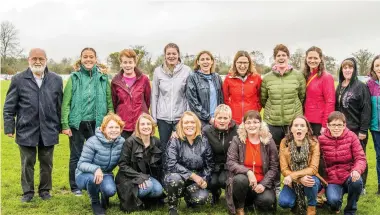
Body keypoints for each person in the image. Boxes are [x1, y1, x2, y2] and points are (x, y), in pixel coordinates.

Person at [3, 48, 63, 202]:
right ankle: (28, 193)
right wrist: (9, 127)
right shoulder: (18, 79)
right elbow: (9, 106)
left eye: (41, 59)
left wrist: (62, 126)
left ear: (46, 60)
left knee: (46, 164)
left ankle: (45, 191)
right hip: (26, 129)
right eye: (34, 58)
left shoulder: (56, 79)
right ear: (28, 60)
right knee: (27, 163)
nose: (38, 62)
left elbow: (60, 105)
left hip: (49, 128)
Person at [61, 47, 114, 196]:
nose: (88, 59)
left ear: (96, 59)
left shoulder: (103, 78)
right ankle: (75, 186)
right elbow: (66, 103)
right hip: (77, 123)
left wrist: (110, 121)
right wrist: (65, 124)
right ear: (81, 59)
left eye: (91, 57)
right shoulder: (74, 77)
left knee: (96, 155)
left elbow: (109, 101)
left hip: (97, 123)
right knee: (76, 155)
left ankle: (96, 183)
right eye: (85, 57)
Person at [260, 44, 306, 193]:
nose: (281, 58)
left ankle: (293, 182)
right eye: (278, 55)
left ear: (288, 57)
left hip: (292, 123)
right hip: (273, 122)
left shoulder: (298, 76)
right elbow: (263, 99)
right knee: (273, 155)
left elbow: (302, 96)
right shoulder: (267, 78)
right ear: (274, 58)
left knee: (292, 153)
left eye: (283, 55)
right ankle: (276, 185)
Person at [226, 110, 279, 215]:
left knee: (267, 200)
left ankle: (251, 202)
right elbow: (230, 162)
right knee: (240, 179)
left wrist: (263, 184)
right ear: (244, 125)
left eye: (255, 122)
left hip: (261, 182)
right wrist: (249, 172)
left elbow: (274, 167)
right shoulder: (237, 140)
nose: (252, 125)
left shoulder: (268, 141)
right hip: (243, 182)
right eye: (248, 122)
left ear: (260, 124)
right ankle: (240, 207)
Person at [164, 111, 214, 215]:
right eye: (186, 122)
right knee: (174, 179)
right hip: (177, 177)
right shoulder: (175, 140)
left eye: (192, 122)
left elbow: (210, 164)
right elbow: (170, 164)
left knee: (204, 198)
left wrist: (204, 179)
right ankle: (172, 206)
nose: (189, 125)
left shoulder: (203, 141)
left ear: (197, 124)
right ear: (181, 125)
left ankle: (189, 198)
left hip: (196, 180)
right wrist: (192, 175)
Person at [75, 113, 125, 215]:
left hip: (106, 173)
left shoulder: (122, 142)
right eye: (110, 127)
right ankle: (95, 202)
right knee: (93, 180)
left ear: (120, 129)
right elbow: (81, 164)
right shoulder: (92, 141)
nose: (114, 130)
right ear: (104, 128)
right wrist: (96, 169)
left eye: (117, 127)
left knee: (110, 190)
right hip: (84, 174)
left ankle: (104, 196)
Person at [318, 111, 366, 214]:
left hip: (349, 175)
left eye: (339, 125)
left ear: (344, 125)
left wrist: (357, 170)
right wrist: (322, 182)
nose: (336, 128)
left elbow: (360, 158)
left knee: (357, 182)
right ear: (327, 125)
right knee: (333, 201)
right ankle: (335, 204)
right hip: (331, 179)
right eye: (333, 125)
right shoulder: (321, 140)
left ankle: (350, 209)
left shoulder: (352, 136)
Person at [335, 57, 371, 194]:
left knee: (359, 157)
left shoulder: (361, 86)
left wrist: (363, 130)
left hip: (357, 129)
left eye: (350, 67)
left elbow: (366, 109)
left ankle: (361, 186)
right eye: (345, 67)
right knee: (345, 157)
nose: (347, 70)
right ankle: (348, 183)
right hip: (343, 129)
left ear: (354, 69)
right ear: (341, 70)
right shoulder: (340, 85)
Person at [278, 116, 327, 215]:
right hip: (294, 182)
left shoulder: (313, 143)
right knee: (284, 202)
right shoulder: (284, 142)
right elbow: (284, 169)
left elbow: (313, 169)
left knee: (310, 181)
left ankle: (311, 206)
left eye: (302, 126)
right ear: (291, 129)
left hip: (310, 177)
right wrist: (299, 179)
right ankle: (296, 201)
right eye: (296, 125)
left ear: (307, 129)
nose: (299, 128)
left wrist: (292, 176)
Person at [115, 113, 163, 212]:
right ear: (138, 127)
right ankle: (132, 200)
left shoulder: (156, 141)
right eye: (142, 124)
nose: (146, 126)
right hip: (129, 177)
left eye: (148, 124)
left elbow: (158, 164)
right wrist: (139, 177)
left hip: (146, 176)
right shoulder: (130, 142)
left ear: (152, 126)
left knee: (158, 190)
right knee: (148, 187)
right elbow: (123, 165)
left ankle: (142, 200)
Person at [151, 43, 191, 151]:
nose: (171, 56)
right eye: (168, 53)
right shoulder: (157, 71)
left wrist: (187, 116)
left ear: (178, 55)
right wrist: (154, 117)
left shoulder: (187, 71)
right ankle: (165, 168)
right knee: (165, 147)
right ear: (165, 55)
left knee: (181, 147)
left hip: (180, 117)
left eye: (174, 53)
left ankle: (180, 168)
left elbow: (188, 96)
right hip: (162, 118)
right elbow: (155, 95)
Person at [111, 49, 151, 140]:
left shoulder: (144, 79)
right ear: (121, 64)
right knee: (124, 152)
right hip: (123, 124)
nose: (128, 65)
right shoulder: (115, 81)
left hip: (140, 124)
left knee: (140, 152)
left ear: (135, 63)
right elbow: (114, 103)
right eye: (125, 62)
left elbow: (147, 100)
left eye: (130, 62)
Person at [202, 104, 238, 204]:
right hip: (213, 164)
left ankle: (230, 194)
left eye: (225, 118)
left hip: (229, 164)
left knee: (223, 180)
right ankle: (215, 193)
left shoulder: (237, 130)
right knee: (212, 181)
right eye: (219, 118)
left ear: (230, 118)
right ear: (215, 118)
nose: (222, 121)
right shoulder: (206, 130)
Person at [303, 46, 335, 136]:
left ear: (320, 59)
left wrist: (325, 124)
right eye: (310, 58)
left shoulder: (326, 77)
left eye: (315, 58)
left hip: (319, 122)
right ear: (306, 59)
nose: (312, 61)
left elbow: (330, 102)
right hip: (305, 121)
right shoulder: (305, 75)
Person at [223, 50, 262, 124]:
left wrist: (255, 110)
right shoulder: (228, 79)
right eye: (239, 62)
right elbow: (225, 100)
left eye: (245, 63)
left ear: (249, 63)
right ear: (235, 63)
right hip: (234, 120)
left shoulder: (256, 78)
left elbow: (260, 98)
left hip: (252, 120)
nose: (242, 65)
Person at [186, 50, 224, 127]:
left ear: (212, 61)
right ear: (198, 62)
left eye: (207, 59)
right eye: (202, 59)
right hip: (201, 121)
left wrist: (219, 117)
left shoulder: (217, 77)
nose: (205, 62)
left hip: (217, 120)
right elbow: (193, 102)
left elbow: (221, 99)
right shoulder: (192, 77)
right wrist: (209, 118)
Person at [367, 55, 380, 194]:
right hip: (376, 128)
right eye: (377, 65)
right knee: (379, 157)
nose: (379, 68)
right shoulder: (370, 84)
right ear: (373, 68)